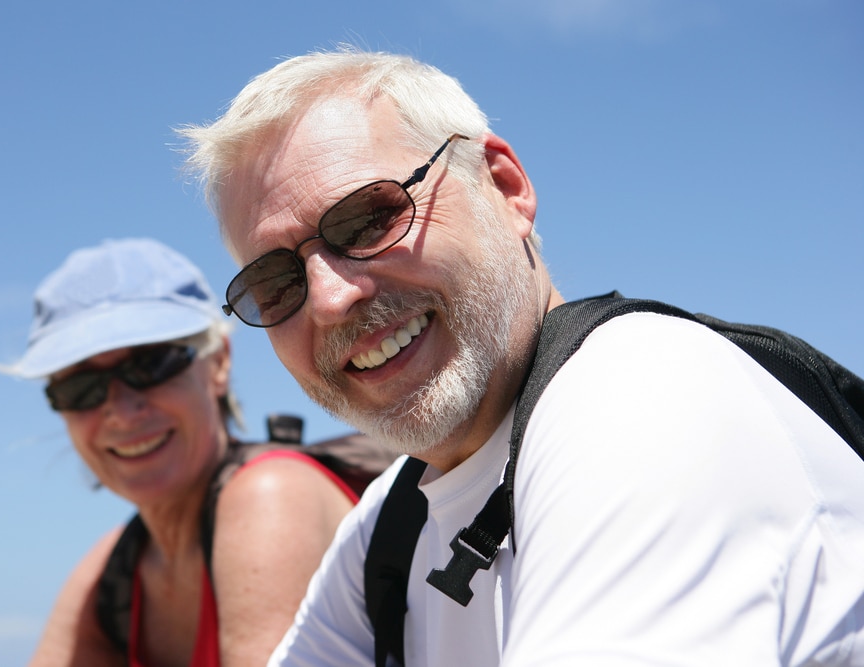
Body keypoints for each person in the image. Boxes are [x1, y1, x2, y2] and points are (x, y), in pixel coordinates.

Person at [175, 49, 864, 666]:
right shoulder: (392, 524)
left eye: (366, 220)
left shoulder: (640, 394)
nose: (328, 300)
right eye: (275, 283)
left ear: (505, 188)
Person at [0, 238, 358, 667]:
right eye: (80, 388)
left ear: (218, 361)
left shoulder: (270, 496)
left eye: (151, 365)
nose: (122, 412)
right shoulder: (114, 569)